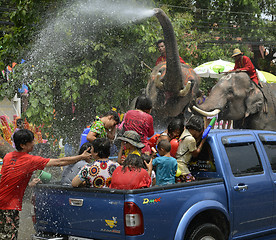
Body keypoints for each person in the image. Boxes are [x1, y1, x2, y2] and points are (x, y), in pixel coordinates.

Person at [0, 129, 92, 239]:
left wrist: (29, 183)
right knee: (9, 237)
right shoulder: (30, 160)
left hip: (2, 202)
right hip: (8, 207)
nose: (34, 143)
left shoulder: (8, 157)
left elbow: (10, 178)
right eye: (31, 141)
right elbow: (59, 162)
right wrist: (81, 157)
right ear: (22, 145)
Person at [176, 115, 206, 183]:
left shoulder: (185, 132)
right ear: (196, 130)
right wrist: (203, 141)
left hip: (177, 167)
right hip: (182, 168)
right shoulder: (191, 139)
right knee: (191, 183)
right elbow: (195, 154)